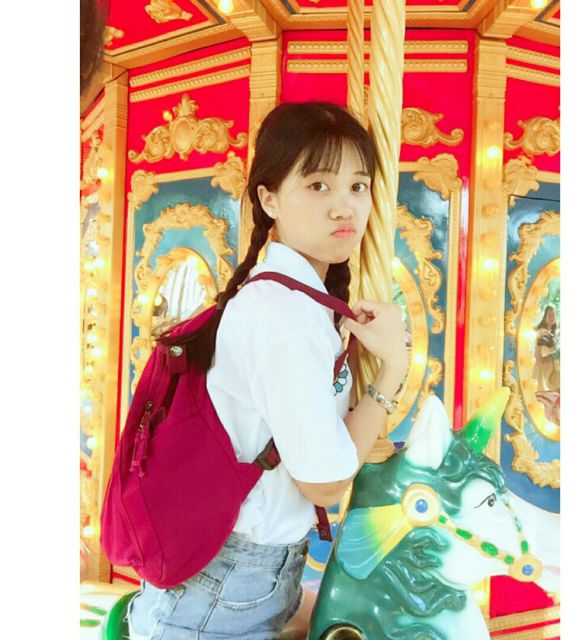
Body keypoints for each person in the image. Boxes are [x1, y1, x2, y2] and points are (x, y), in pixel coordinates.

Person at [126, 101, 409, 640]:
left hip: (247, 574)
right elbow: (324, 483)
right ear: (268, 198)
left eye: (358, 186)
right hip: (224, 591)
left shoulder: (297, 302)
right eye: (318, 185)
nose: (344, 207)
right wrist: (391, 371)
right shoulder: (286, 318)